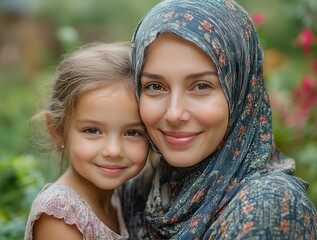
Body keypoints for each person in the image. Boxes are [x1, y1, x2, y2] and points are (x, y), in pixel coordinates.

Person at [119, 0, 317, 239]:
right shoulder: (137, 190)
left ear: (241, 91)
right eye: (155, 86)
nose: (173, 113)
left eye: (201, 86)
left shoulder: (268, 206)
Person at [24, 42, 149, 240]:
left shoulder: (120, 198)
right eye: (92, 130)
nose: (113, 150)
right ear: (57, 131)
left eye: (132, 132)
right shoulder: (60, 214)